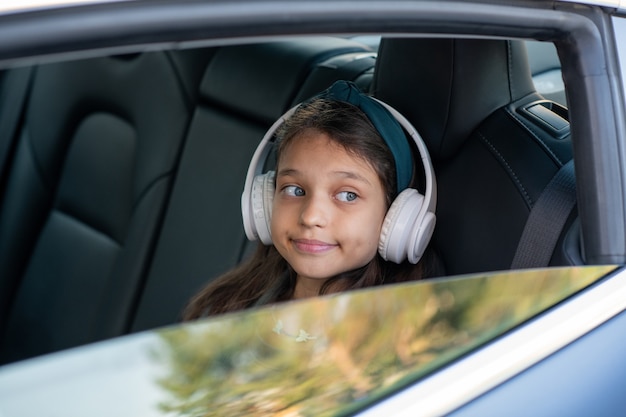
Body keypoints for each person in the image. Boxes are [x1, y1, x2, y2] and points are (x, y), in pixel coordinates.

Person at [184, 81, 441, 319]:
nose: (310, 217)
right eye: (294, 190)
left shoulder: (393, 340)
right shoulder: (230, 304)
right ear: (265, 199)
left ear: (396, 217)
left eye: (347, 195)